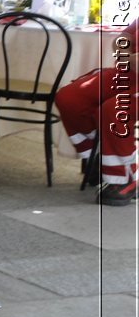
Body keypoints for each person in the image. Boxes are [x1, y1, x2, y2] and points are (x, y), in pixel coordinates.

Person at [53, 18, 138, 205]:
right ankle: (98, 158)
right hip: (126, 74)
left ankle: (124, 178)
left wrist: (128, 57)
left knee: (115, 110)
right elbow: (123, 38)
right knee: (70, 98)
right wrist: (125, 52)